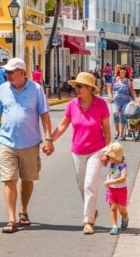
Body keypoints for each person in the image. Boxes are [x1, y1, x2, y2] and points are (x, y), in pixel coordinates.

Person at [0, 58, 53, 234]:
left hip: (30, 143)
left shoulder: (36, 89)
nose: (7, 75)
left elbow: (44, 115)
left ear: (22, 72)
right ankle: (11, 218)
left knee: (27, 180)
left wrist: (48, 139)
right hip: (7, 142)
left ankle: (23, 209)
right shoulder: (2, 89)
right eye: (6, 72)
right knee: (9, 179)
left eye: (11, 72)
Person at [48, 71, 112, 235]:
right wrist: (50, 140)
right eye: (76, 86)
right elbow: (62, 126)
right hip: (77, 151)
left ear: (90, 89)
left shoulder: (101, 105)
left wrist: (107, 152)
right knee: (82, 186)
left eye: (81, 86)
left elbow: (107, 130)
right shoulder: (72, 105)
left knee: (90, 184)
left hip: (96, 150)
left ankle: (88, 221)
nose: (77, 89)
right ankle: (91, 210)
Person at [102, 143, 129, 235]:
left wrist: (110, 182)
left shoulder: (122, 166)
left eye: (110, 156)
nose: (108, 157)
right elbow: (110, 174)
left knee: (122, 209)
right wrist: (108, 181)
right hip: (111, 190)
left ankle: (125, 218)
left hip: (121, 190)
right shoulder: (111, 164)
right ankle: (114, 226)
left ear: (116, 157)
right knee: (113, 208)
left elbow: (123, 178)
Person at [108, 67, 134, 140]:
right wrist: (110, 96)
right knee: (115, 115)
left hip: (125, 101)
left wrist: (135, 100)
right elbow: (109, 88)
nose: (123, 73)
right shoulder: (114, 80)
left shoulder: (128, 81)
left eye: (124, 72)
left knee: (122, 116)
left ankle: (121, 134)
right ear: (119, 72)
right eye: (122, 72)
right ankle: (117, 131)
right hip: (116, 101)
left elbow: (132, 90)